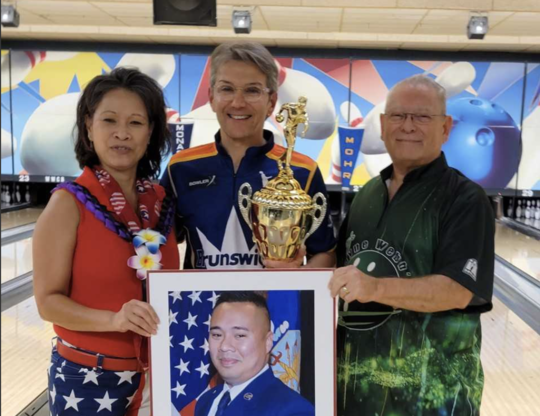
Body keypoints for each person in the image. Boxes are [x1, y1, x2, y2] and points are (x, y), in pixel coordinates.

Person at [328, 75, 495, 415]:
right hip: (354, 393)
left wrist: (373, 287)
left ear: (445, 127)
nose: (408, 126)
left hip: (431, 400)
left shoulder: (464, 199)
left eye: (422, 117)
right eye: (399, 116)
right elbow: (337, 270)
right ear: (384, 124)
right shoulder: (366, 195)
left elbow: (458, 291)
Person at [33, 67, 180, 416]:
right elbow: (47, 303)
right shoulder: (67, 204)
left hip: (158, 376)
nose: (121, 134)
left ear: (151, 133)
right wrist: (114, 320)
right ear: (88, 128)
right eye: (109, 120)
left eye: (135, 123)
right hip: (86, 378)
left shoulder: (161, 202)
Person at [161, 41, 336, 270]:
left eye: (252, 90)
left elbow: (326, 254)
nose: (238, 102)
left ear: (271, 102)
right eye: (227, 89)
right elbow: (157, 246)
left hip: (273, 306)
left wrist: (296, 277)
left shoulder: (303, 171)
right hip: (203, 306)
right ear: (212, 98)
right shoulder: (180, 169)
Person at [195, 291, 315, 416]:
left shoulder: (293, 409)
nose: (224, 346)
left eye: (240, 335)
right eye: (217, 335)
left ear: (268, 342)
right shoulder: (206, 401)